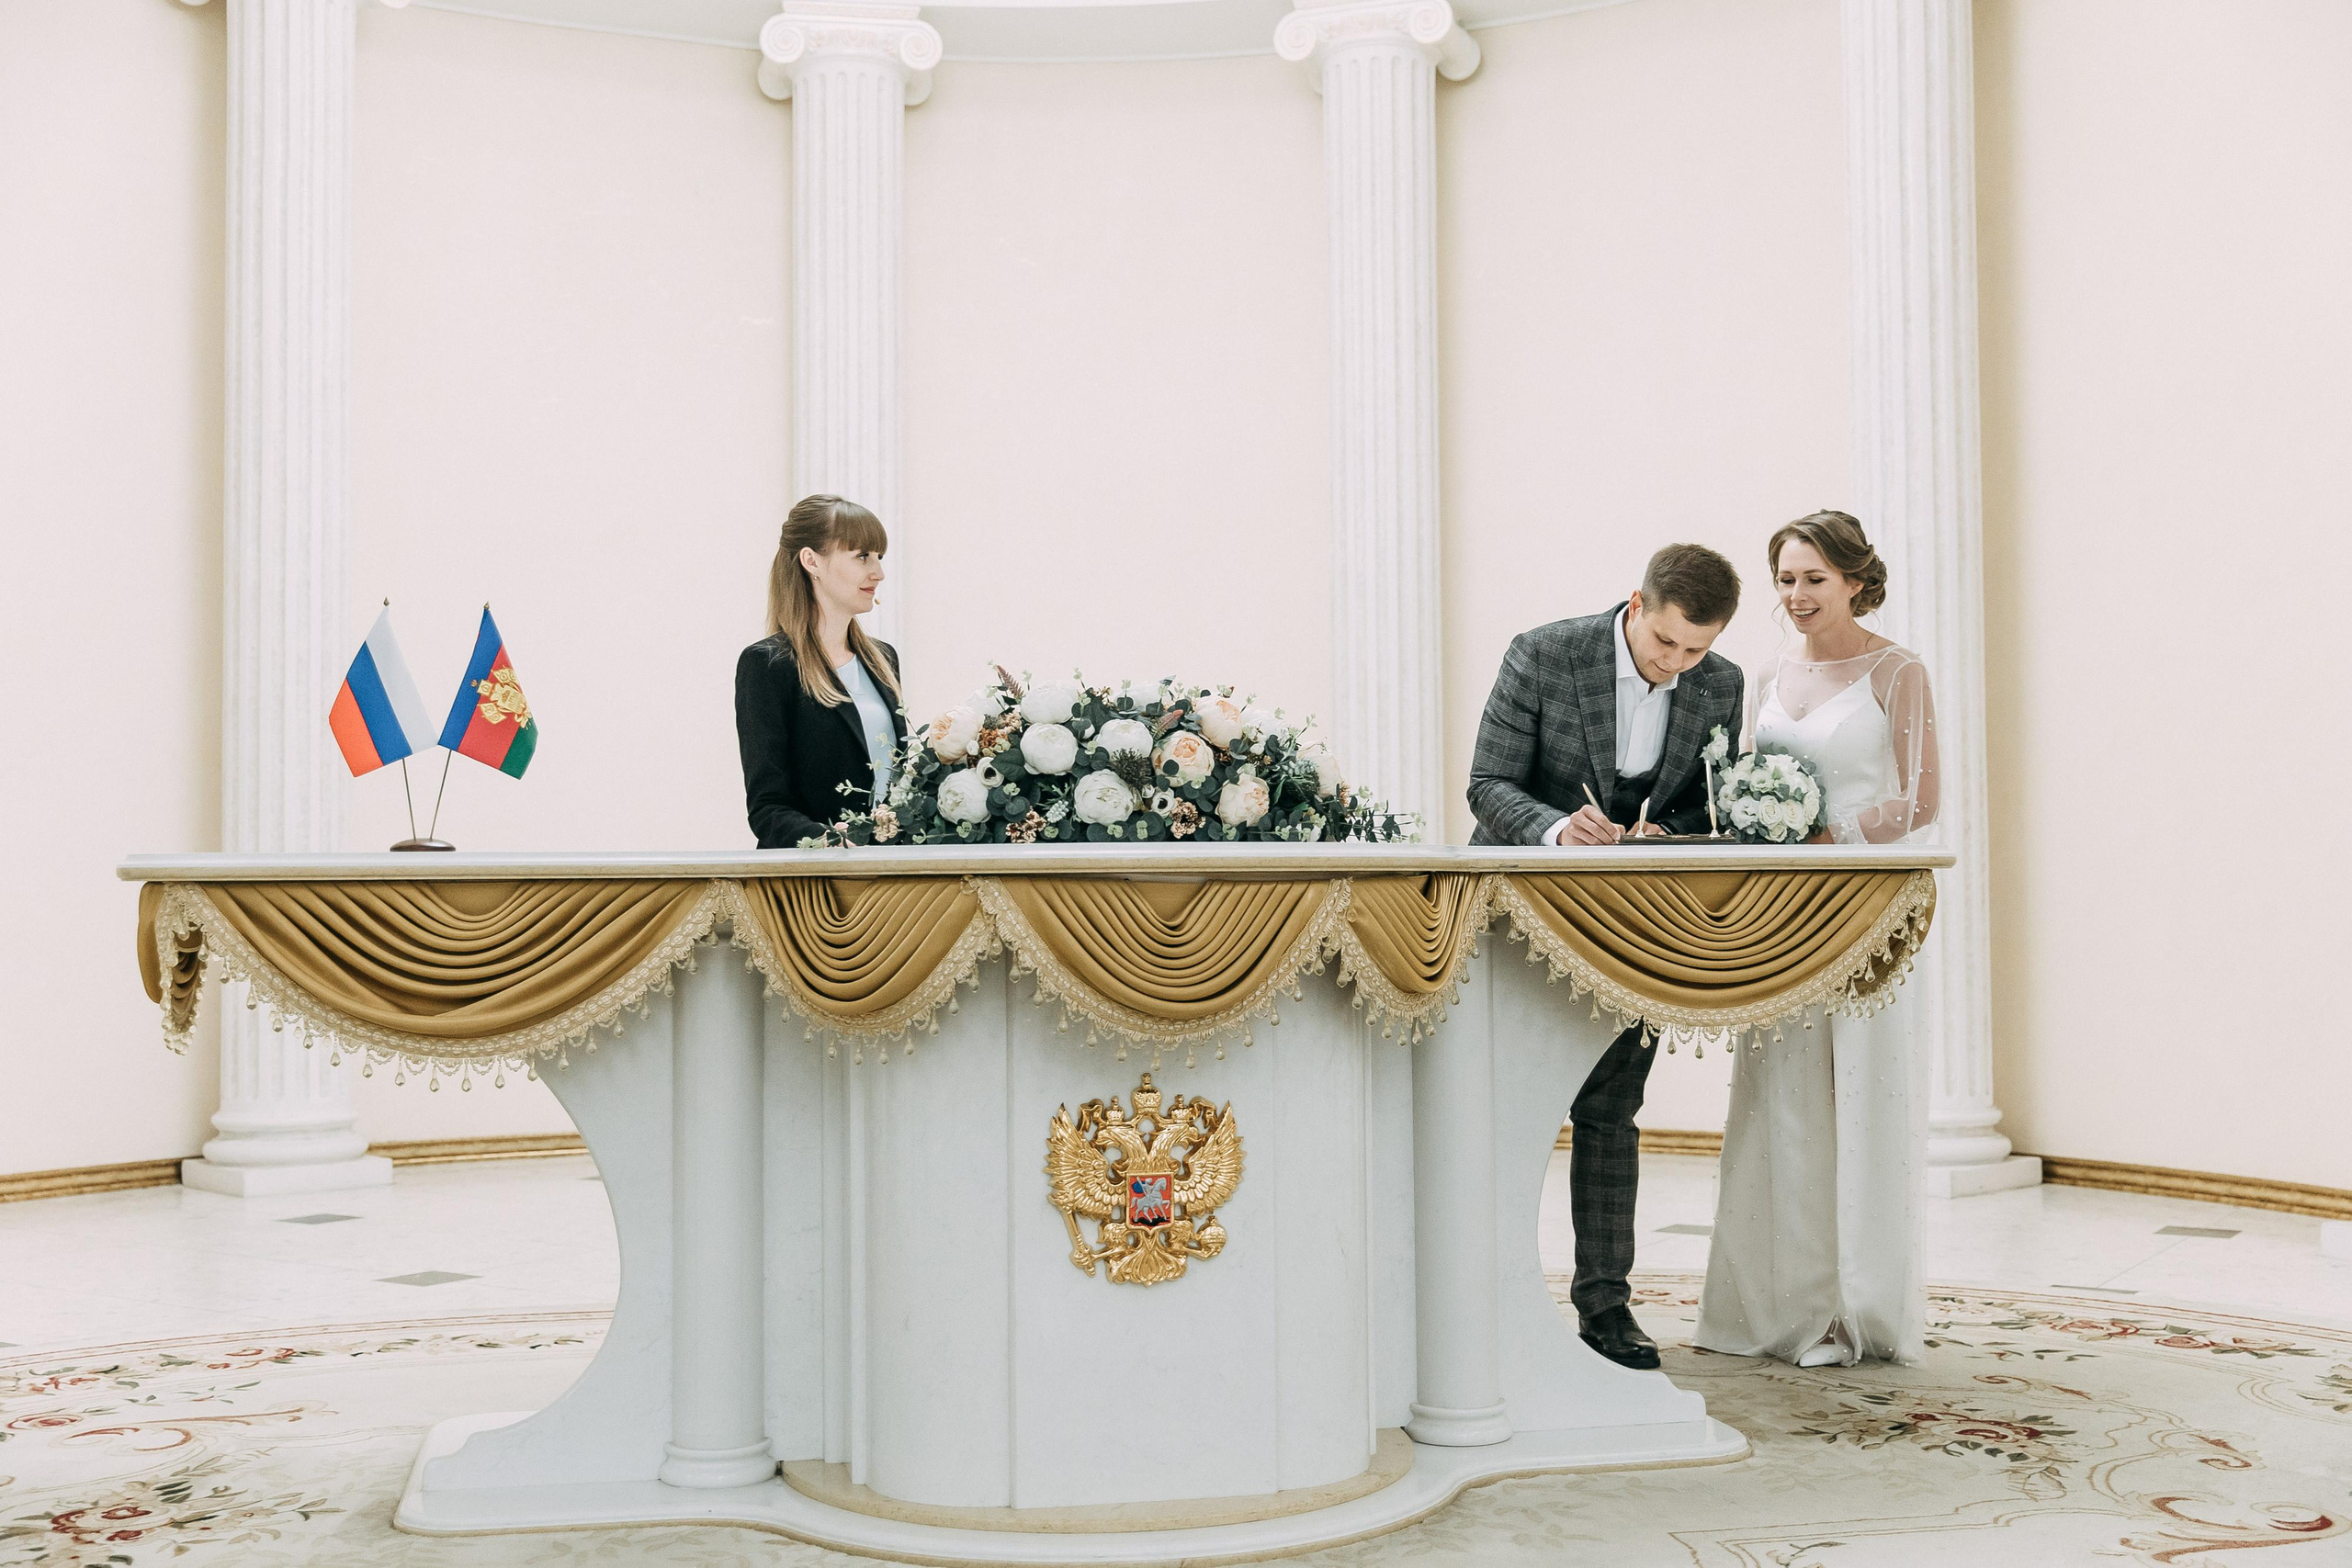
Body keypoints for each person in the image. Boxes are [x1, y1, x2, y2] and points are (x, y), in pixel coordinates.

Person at [1467, 543, 1746, 1370]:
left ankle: (1607, 1309)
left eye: (1696, 650)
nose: (1678, 666)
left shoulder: (1721, 682)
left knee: (1612, 1113)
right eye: (1666, 645)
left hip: (1632, 925)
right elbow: (1487, 783)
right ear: (1636, 604)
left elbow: (1712, 805)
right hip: (1523, 917)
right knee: (1502, 1113)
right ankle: (1480, 1296)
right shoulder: (1544, 652)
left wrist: (1674, 834)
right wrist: (1557, 826)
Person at [1695, 509, 1940, 1368]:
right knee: (1782, 1098)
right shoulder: (1765, 674)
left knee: (1860, 1096)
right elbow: (1737, 785)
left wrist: (1830, 835)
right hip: (1781, 911)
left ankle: (1851, 1306)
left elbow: (1920, 802)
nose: (1797, 596)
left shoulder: (1897, 671)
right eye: (1787, 580)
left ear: (1856, 581)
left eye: (1814, 579)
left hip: (1863, 906)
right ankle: (1777, 1303)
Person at [735, 494, 906, 849]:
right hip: (813, 885)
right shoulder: (768, 665)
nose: (879, 573)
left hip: (891, 875)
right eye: (862, 556)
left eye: (879, 557)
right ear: (811, 561)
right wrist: (828, 840)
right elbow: (767, 809)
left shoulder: (884, 659)